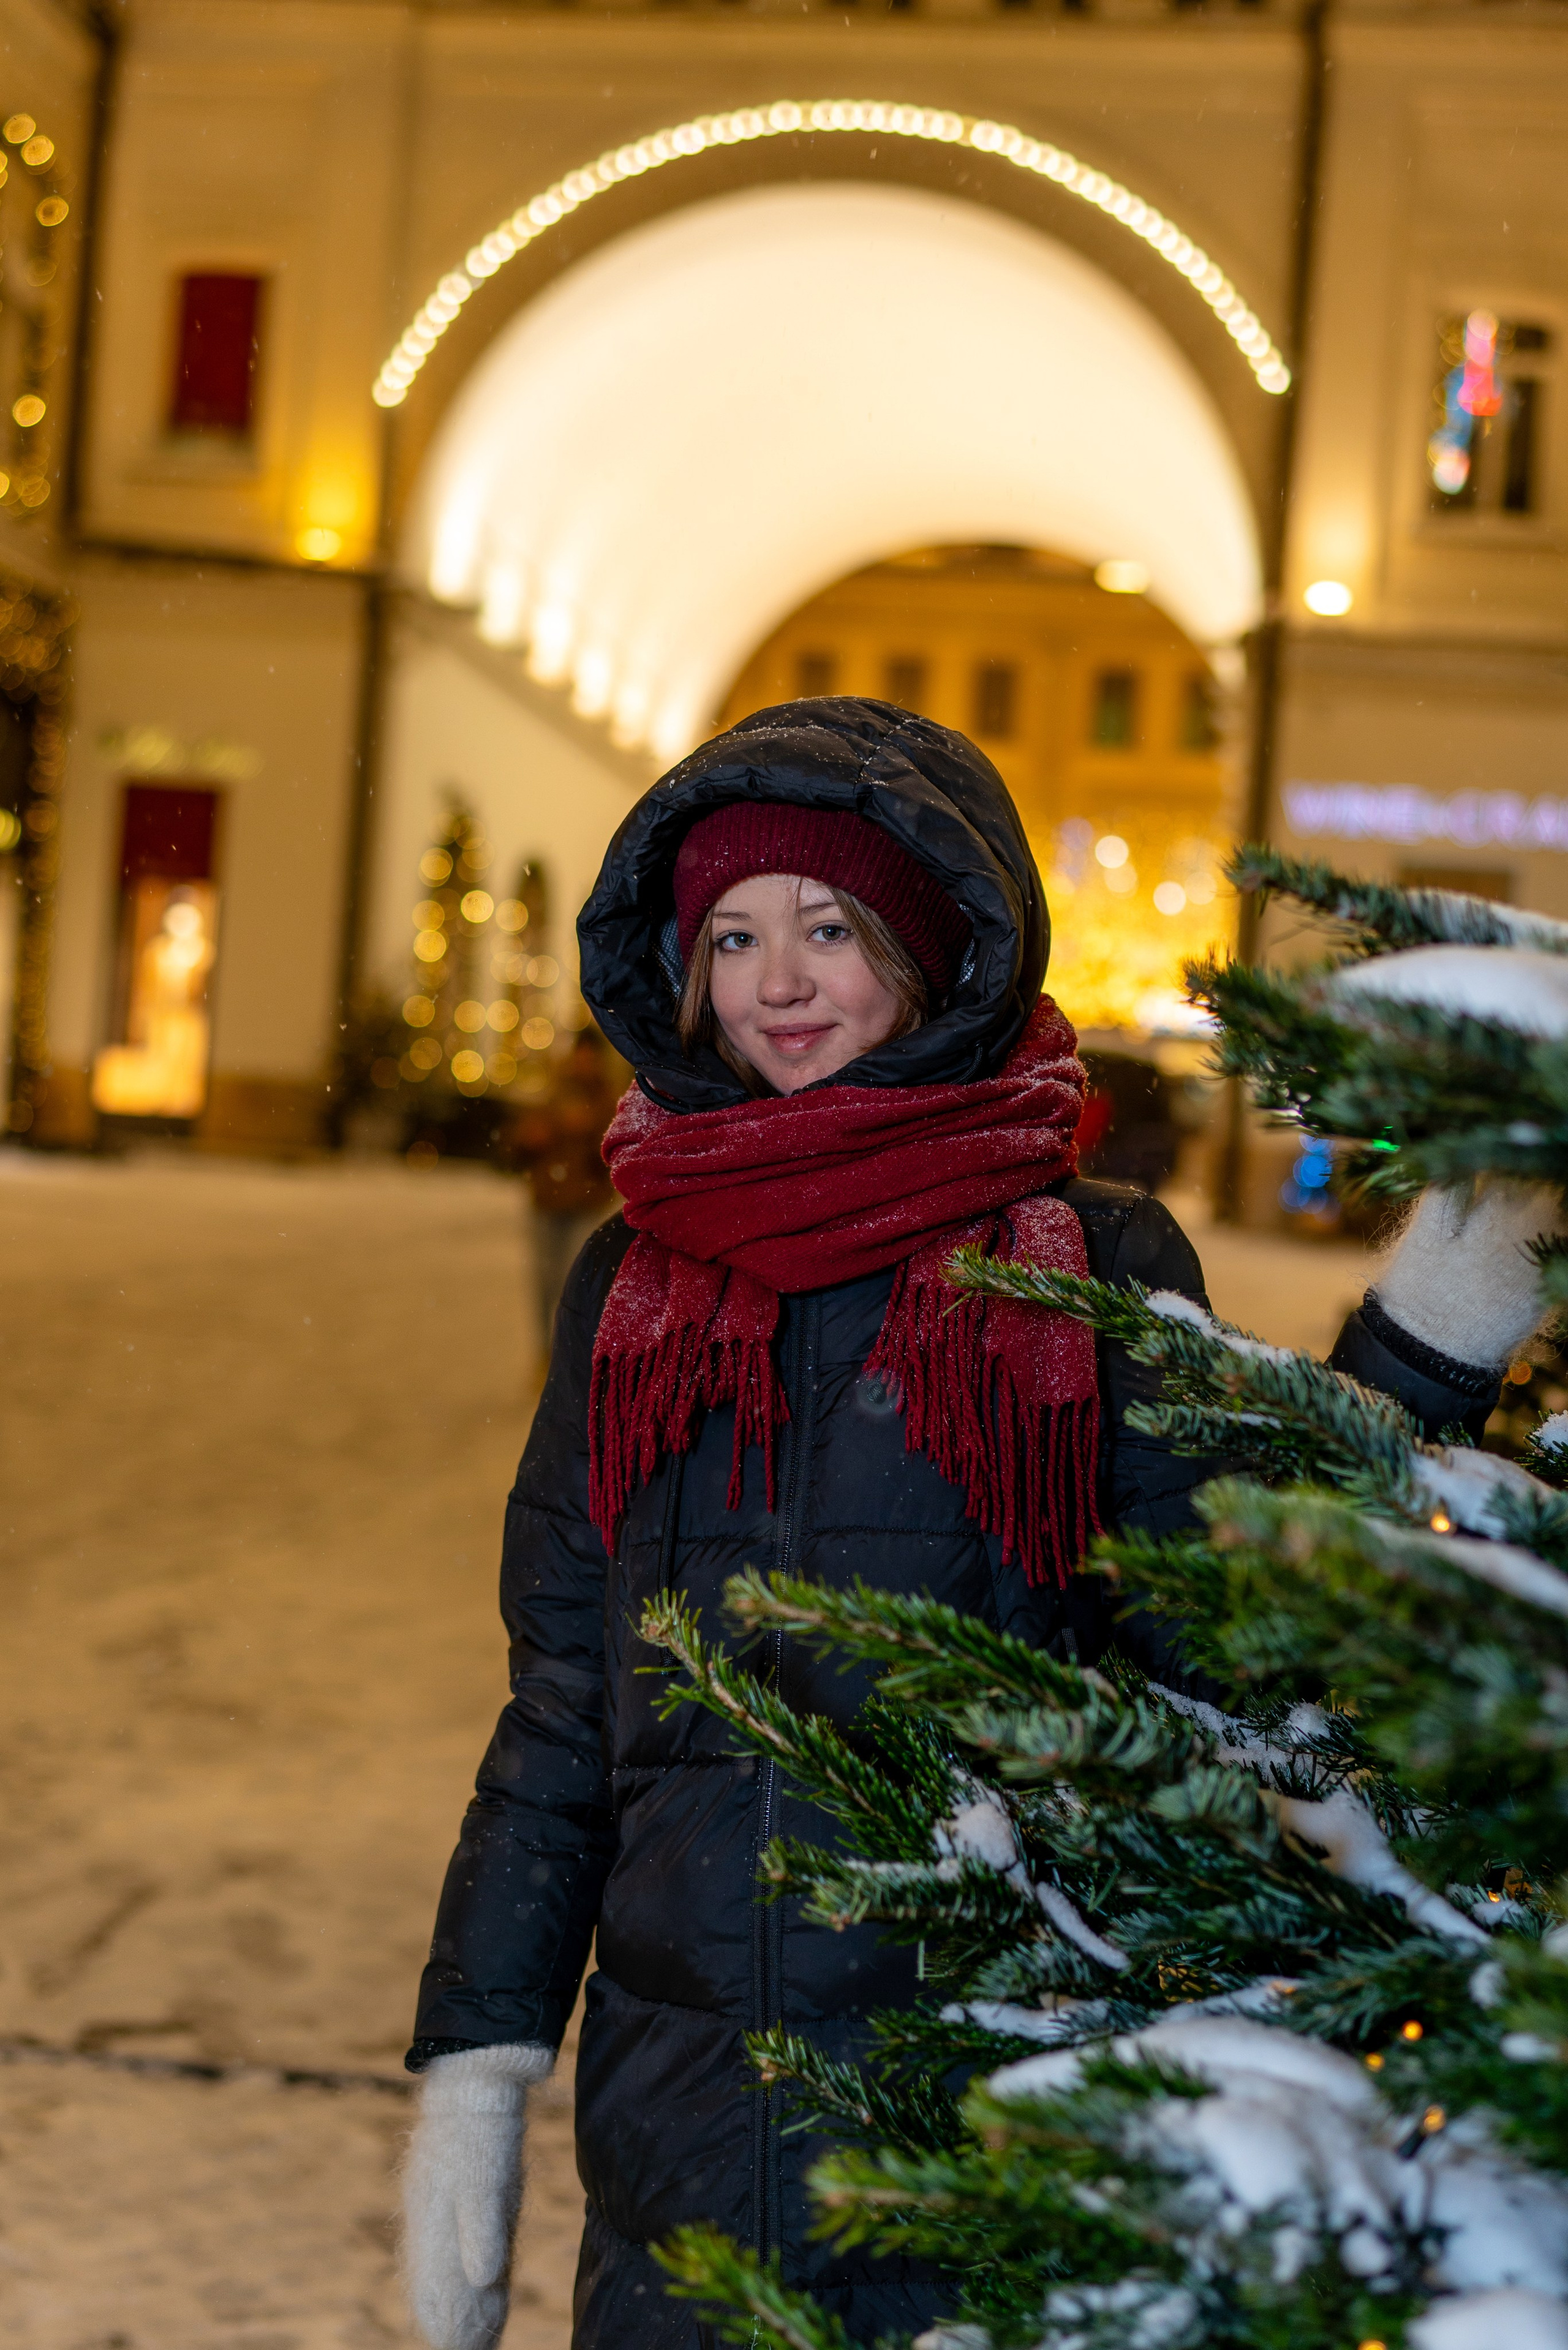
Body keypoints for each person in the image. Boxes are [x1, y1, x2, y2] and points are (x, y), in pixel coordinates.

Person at [400, 698, 1555, 2350]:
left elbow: (1232, 1638)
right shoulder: (635, 1278)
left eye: (828, 928)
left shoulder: (1086, 1255)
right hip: (681, 2125)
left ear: (934, 949)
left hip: (999, 2088)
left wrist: (1427, 1341)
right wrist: (482, 2051)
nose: (775, 983)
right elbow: (566, 1713)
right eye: (730, 934)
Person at [507, 1027, 624, 1365]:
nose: (584, 1062)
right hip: (548, 1202)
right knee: (545, 1282)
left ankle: (574, 1357)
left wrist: (589, 1134)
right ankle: (547, 1353)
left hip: (587, 1205)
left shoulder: (610, 1099)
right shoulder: (554, 1093)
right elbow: (523, 1142)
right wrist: (533, 1137)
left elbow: (616, 1157)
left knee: (577, 1283)